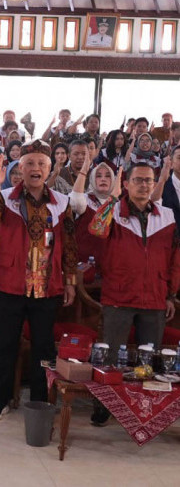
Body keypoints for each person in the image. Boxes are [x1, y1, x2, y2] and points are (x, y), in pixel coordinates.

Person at [0, 140, 77, 421]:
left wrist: (70, 280)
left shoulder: (61, 203)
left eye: (41, 165)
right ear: (20, 168)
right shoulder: (5, 197)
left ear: (49, 170)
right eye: (30, 164)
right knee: (5, 344)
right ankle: (1, 399)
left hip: (47, 286)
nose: (35, 169)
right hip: (11, 283)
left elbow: (69, 244)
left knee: (43, 348)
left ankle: (40, 401)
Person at [88, 162, 180, 425]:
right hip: (119, 295)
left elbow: (175, 258)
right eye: (138, 180)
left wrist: (171, 293)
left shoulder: (167, 216)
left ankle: (142, 409)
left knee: (148, 362)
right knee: (108, 358)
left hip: (155, 297)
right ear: (126, 184)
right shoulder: (113, 212)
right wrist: (113, 199)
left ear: (154, 185)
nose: (144, 185)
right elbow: (95, 229)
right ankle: (103, 407)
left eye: (148, 181)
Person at [69, 153, 115, 264]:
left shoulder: (117, 204)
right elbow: (75, 202)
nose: (103, 179)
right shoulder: (86, 200)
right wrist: (84, 170)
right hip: (84, 266)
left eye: (107, 176)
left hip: (109, 265)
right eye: (98, 176)